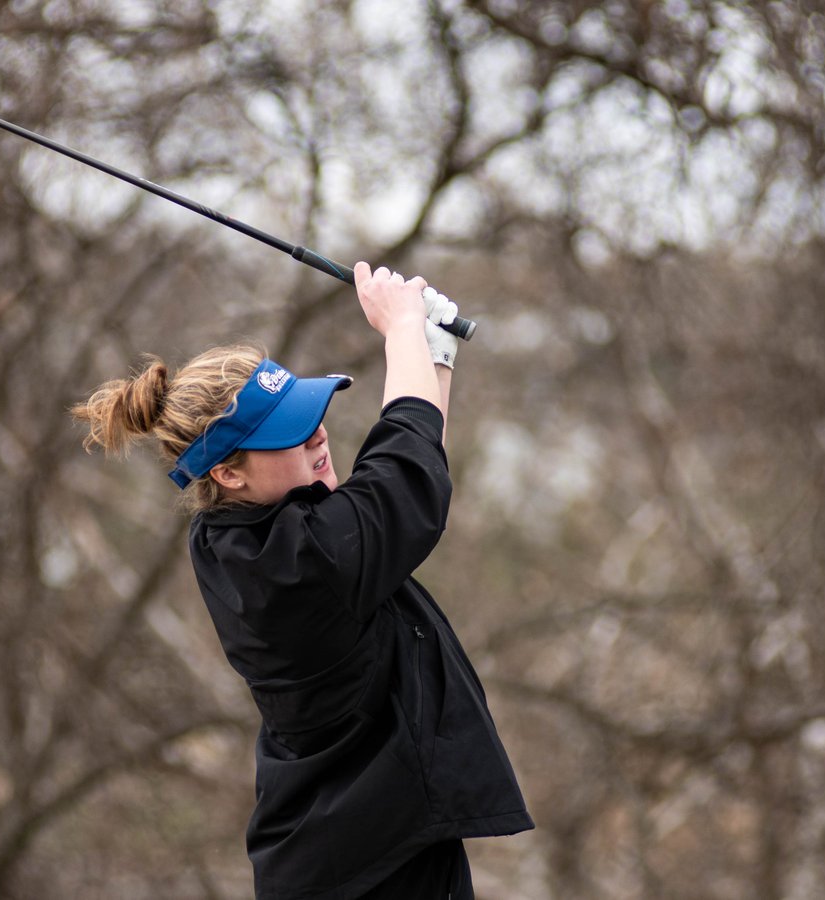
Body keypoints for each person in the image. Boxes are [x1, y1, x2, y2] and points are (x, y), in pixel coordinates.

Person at [71, 263, 533, 899]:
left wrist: (433, 354)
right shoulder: (294, 566)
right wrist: (401, 330)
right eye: (288, 433)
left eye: (309, 413)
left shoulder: (245, 536)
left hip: (370, 852)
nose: (318, 433)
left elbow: (409, 474)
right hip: (365, 875)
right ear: (228, 473)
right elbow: (403, 483)